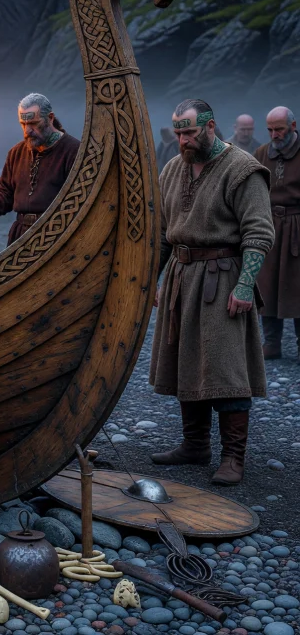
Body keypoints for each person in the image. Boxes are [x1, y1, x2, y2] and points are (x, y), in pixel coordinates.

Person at [149, 98, 273, 486]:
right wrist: (152, 280)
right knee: (186, 359)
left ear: (210, 126)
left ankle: (233, 457)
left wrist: (245, 285)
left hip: (223, 277)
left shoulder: (242, 170)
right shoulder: (173, 169)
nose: (183, 140)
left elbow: (259, 233)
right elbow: (163, 235)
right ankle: (195, 445)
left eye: (189, 132)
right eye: (178, 133)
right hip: (181, 277)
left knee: (226, 366)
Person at [0, 93, 81, 244]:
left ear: (50, 118)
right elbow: (6, 193)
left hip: (57, 236)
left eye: (33, 123)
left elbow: (80, 202)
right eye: (23, 124)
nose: (27, 131)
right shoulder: (16, 152)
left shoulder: (74, 152)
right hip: (20, 237)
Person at [256, 106, 299, 359]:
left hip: (297, 227)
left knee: (298, 285)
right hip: (269, 225)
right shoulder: (262, 153)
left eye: (279, 129)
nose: (274, 135)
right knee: (267, 284)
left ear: (293, 126)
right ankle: (271, 343)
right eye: (270, 130)